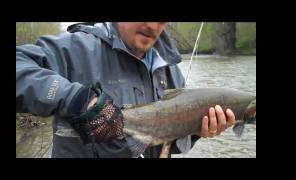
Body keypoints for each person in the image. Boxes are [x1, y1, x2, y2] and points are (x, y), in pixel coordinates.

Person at [16, 22, 235, 158]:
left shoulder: (170, 71)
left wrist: (195, 130)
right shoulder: (77, 48)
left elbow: (165, 144)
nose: (152, 25)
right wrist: (75, 99)